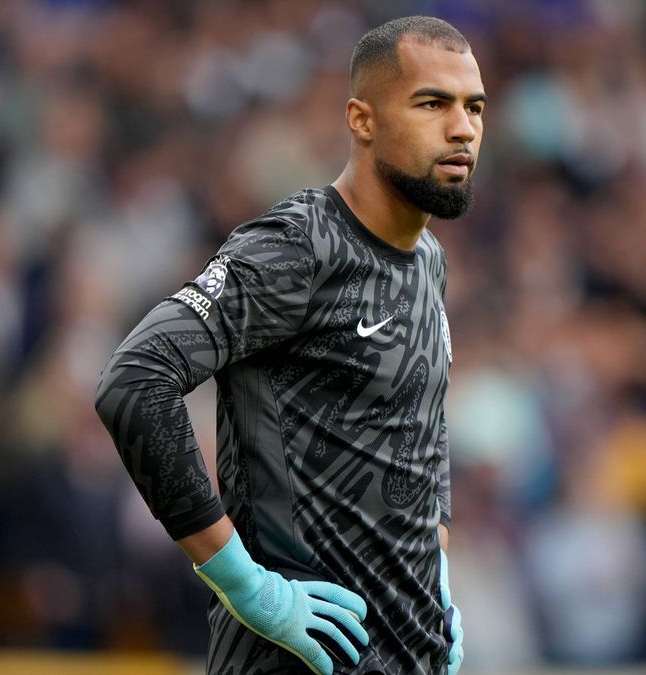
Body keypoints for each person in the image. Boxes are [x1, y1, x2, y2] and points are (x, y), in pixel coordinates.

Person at [94, 15, 483, 675]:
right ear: (362, 121)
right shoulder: (297, 247)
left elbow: (417, 437)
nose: (462, 128)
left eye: (474, 106)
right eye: (431, 104)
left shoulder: (428, 263)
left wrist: (433, 571)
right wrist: (243, 581)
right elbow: (135, 380)